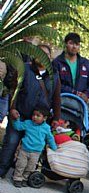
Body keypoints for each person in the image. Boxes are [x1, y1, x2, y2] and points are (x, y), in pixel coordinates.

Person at [0, 44, 61, 178]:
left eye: (45, 54)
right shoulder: (24, 68)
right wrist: (12, 108)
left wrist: (56, 118)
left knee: (32, 151)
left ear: (49, 57)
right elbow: (14, 90)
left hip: (38, 122)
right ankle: (2, 170)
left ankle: (23, 175)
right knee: (10, 143)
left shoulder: (54, 75)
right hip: (20, 116)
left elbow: (56, 98)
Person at [10, 106, 57, 187]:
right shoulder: (28, 123)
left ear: (44, 118)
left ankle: (25, 179)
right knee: (21, 165)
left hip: (36, 152)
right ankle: (17, 178)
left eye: (38, 115)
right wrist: (16, 119)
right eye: (33, 115)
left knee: (30, 167)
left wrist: (54, 147)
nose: (34, 117)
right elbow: (18, 127)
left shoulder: (46, 128)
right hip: (24, 149)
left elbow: (50, 138)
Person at [52, 32, 89, 104]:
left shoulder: (86, 64)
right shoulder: (57, 63)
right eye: (71, 43)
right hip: (61, 101)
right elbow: (54, 83)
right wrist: (73, 92)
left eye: (77, 44)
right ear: (65, 44)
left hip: (80, 104)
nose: (74, 47)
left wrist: (86, 94)